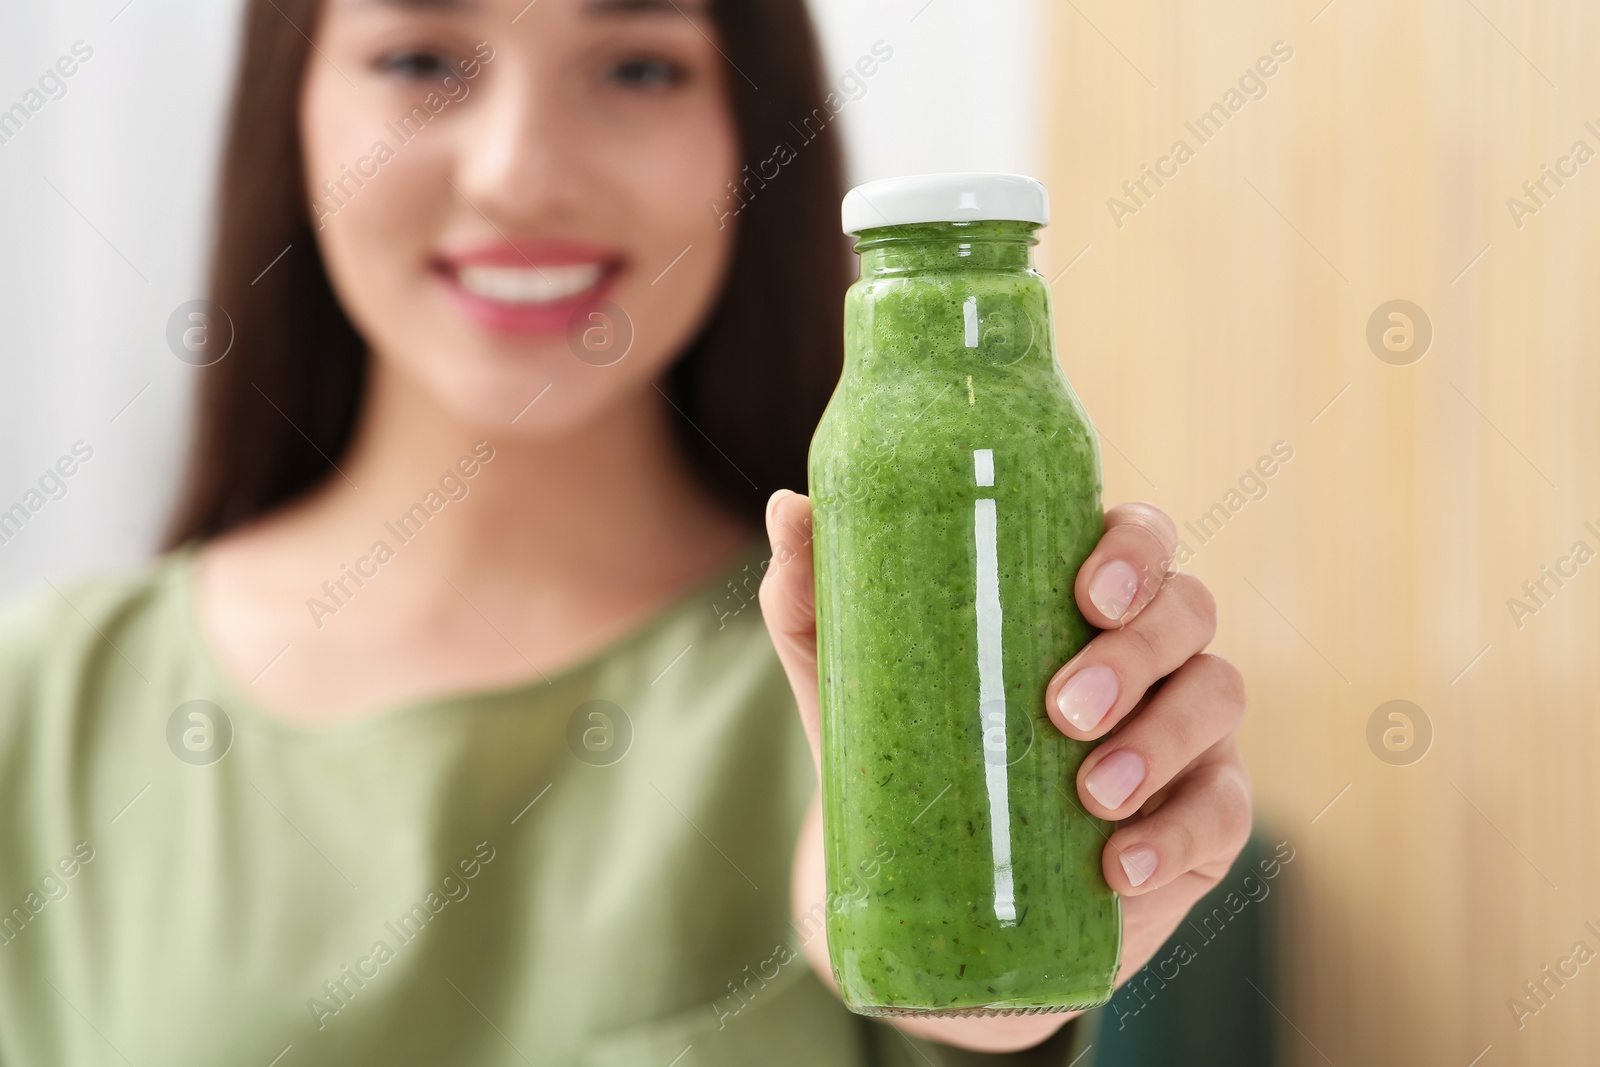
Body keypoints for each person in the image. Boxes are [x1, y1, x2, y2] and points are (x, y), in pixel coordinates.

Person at [0, 0, 1251, 1063]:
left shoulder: (858, 674)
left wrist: (970, 968)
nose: (519, 171)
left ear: (752, 130)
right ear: (291, 99)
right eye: (421, 60)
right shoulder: (42, 704)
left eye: (639, 64)